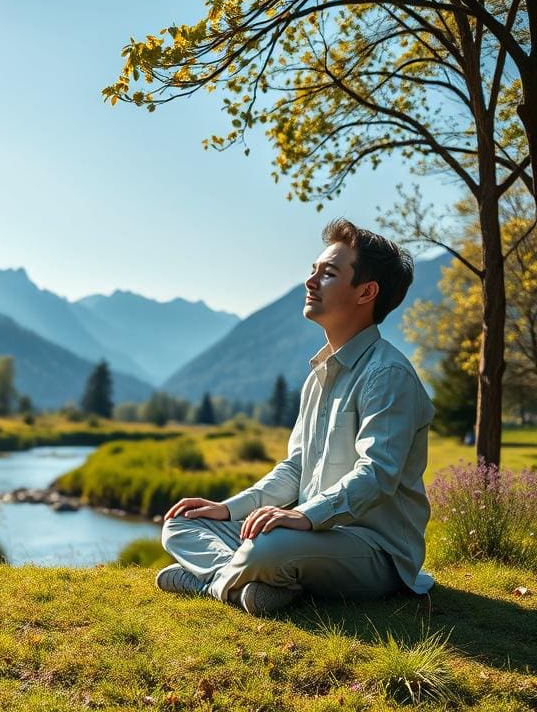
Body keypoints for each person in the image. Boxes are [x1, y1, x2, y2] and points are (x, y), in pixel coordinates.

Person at [156, 219, 435, 615]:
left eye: (329, 273)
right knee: (181, 523)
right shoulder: (318, 377)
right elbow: (295, 468)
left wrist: (303, 516)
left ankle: (210, 581)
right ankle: (244, 586)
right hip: (309, 536)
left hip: (374, 552)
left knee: (267, 547)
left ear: (366, 292)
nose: (311, 281)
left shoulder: (387, 375)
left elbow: (378, 474)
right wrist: (228, 509)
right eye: (313, 270)